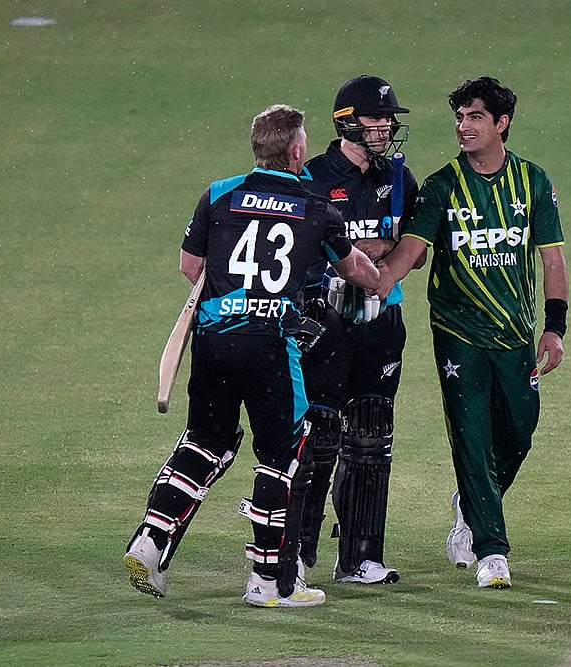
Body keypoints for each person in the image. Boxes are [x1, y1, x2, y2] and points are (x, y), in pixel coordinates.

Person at [123, 104, 381, 608]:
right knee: (282, 456)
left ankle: (149, 544)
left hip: (214, 340)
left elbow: (190, 265)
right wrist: (378, 278)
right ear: (298, 150)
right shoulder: (316, 208)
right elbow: (355, 270)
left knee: (206, 442)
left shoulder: (218, 195)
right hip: (271, 347)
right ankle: (269, 582)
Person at [373, 76, 569, 589]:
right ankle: (491, 551)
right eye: (459, 117)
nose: (463, 127)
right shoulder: (442, 186)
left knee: (521, 430)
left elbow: (553, 261)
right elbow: (408, 256)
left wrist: (555, 328)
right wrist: (364, 274)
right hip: (456, 330)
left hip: (514, 332)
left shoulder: (533, 182)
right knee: (471, 436)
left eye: (475, 117)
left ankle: (471, 502)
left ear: (501, 124)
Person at [295, 74, 422, 584]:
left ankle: (360, 556)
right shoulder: (312, 178)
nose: (387, 126)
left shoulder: (401, 180)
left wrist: (362, 255)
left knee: (371, 436)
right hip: (325, 321)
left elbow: (415, 250)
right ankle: (295, 555)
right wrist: (367, 256)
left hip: (383, 322)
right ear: (347, 122)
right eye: (377, 118)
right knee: (318, 437)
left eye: (390, 118)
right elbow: (303, 254)